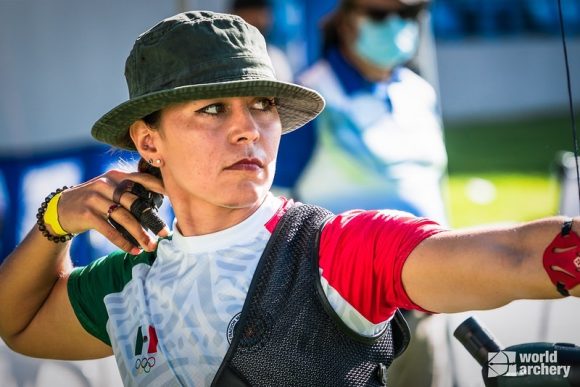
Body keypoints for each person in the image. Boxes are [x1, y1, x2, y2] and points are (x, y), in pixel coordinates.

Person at [0, 10, 578, 387]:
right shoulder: (129, 281)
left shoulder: (340, 247)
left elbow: (518, 256)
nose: (249, 128)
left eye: (263, 106)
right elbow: (17, 324)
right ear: (149, 141)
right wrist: (56, 220)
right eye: (212, 109)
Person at [273, 1, 450, 385]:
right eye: (379, 14)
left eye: (406, 15)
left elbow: (426, 184)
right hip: (341, 304)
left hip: (425, 290)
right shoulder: (312, 95)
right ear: (345, 21)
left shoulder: (418, 91)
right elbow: (277, 193)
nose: (396, 25)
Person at [230, 0, 294, 83]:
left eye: (264, 16)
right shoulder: (226, 57)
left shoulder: (277, 58)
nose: (261, 21)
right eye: (251, 16)